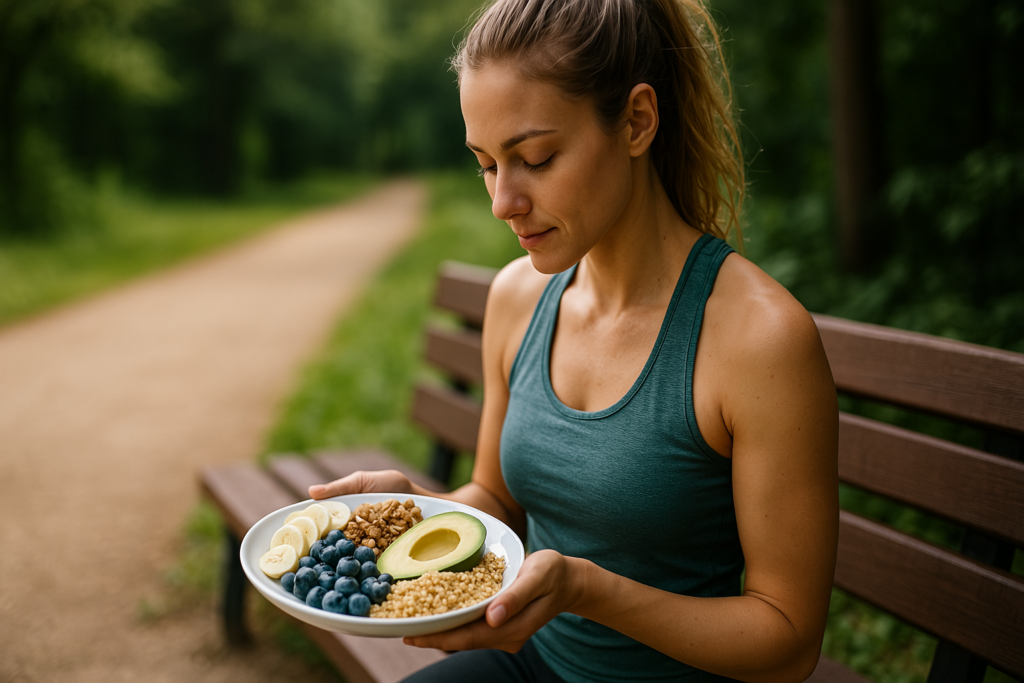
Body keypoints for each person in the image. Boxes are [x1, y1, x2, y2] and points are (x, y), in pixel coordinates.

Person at [310, 0, 839, 681]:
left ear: (637, 122)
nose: (503, 201)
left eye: (535, 157)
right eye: (487, 164)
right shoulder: (517, 298)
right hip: (532, 665)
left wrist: (592, 590)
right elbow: (496, 499)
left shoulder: (758, 340)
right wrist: (416, 511)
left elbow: (788, 639)